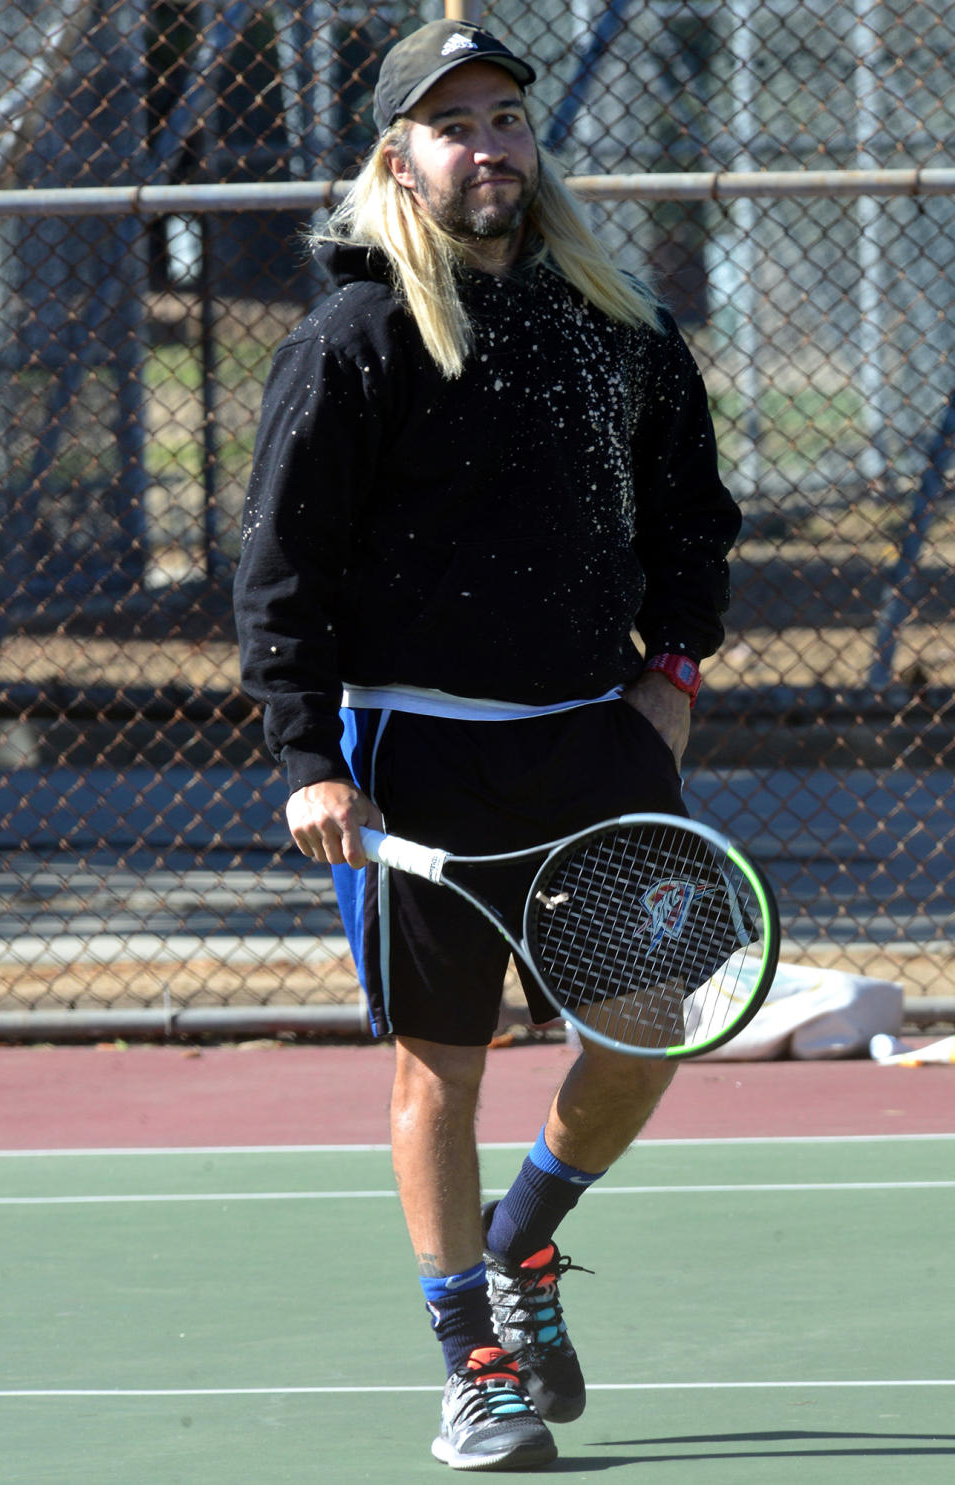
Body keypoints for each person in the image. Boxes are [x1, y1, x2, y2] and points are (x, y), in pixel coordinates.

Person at [233, 18, 741, 1473]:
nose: (492, 144)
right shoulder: (358, 336)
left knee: (648, 1026)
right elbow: (283, 568)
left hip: (596, 746)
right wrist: (304, 757)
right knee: (437, 1071)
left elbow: (692, 515)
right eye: (456, 123)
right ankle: (471, 1360)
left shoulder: (614, 321)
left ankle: (520, 1247)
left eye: (508, 115)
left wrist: (676, 670)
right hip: (415, 763)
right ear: (402, 157)